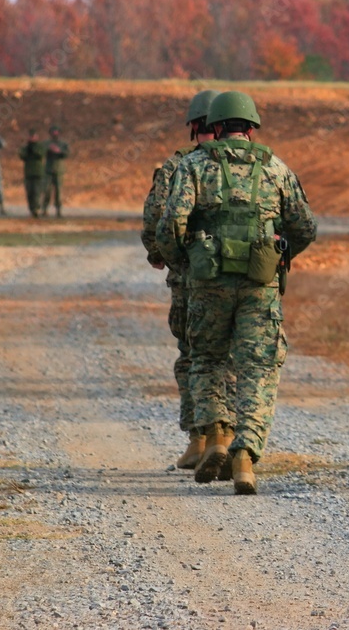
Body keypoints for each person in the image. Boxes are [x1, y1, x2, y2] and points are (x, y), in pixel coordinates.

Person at [155, 91, 317, 495]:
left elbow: (170, 223)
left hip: (207, 281)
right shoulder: (275, 168)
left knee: (206, 360)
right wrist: (278, 254)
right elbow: (305, 226)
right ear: (252, 125)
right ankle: (246, 455)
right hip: (259, 285)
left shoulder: (192, 165)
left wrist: (184, 261)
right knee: (258, 369)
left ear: (214, 126)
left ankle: (217, 438)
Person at [142, 90, 223, 471]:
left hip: (190, 278)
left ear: (194, 126)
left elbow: (156, 219)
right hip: (242, 276)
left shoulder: (177, 167)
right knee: (233, 358)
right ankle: (228, 437)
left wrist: (169, 259)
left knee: (193, 357)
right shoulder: (251, 164)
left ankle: (198, 440)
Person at [18, 129, 46, 217]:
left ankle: (36, 209)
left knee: (37, 192)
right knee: (29, 192)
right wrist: (29, 148)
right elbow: (22, 155)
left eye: (33, 137)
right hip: (28, 173)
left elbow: (41, 154)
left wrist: (33, 148)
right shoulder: (26, 147)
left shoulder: (40, 146)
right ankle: (32, 209)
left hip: (38, 173)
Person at [42, 125, 70, 217]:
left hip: (59, 170)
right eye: (53, 132)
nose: (55, 133)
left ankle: (58, 210)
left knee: (58, 192)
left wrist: (59, 151)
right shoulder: (46, 143)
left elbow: (67, 153)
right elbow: (41, 151)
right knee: (47, 191)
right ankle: (44, 209)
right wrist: (49, 149)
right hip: (48, 170)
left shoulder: (63, 144)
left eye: (56, 131)